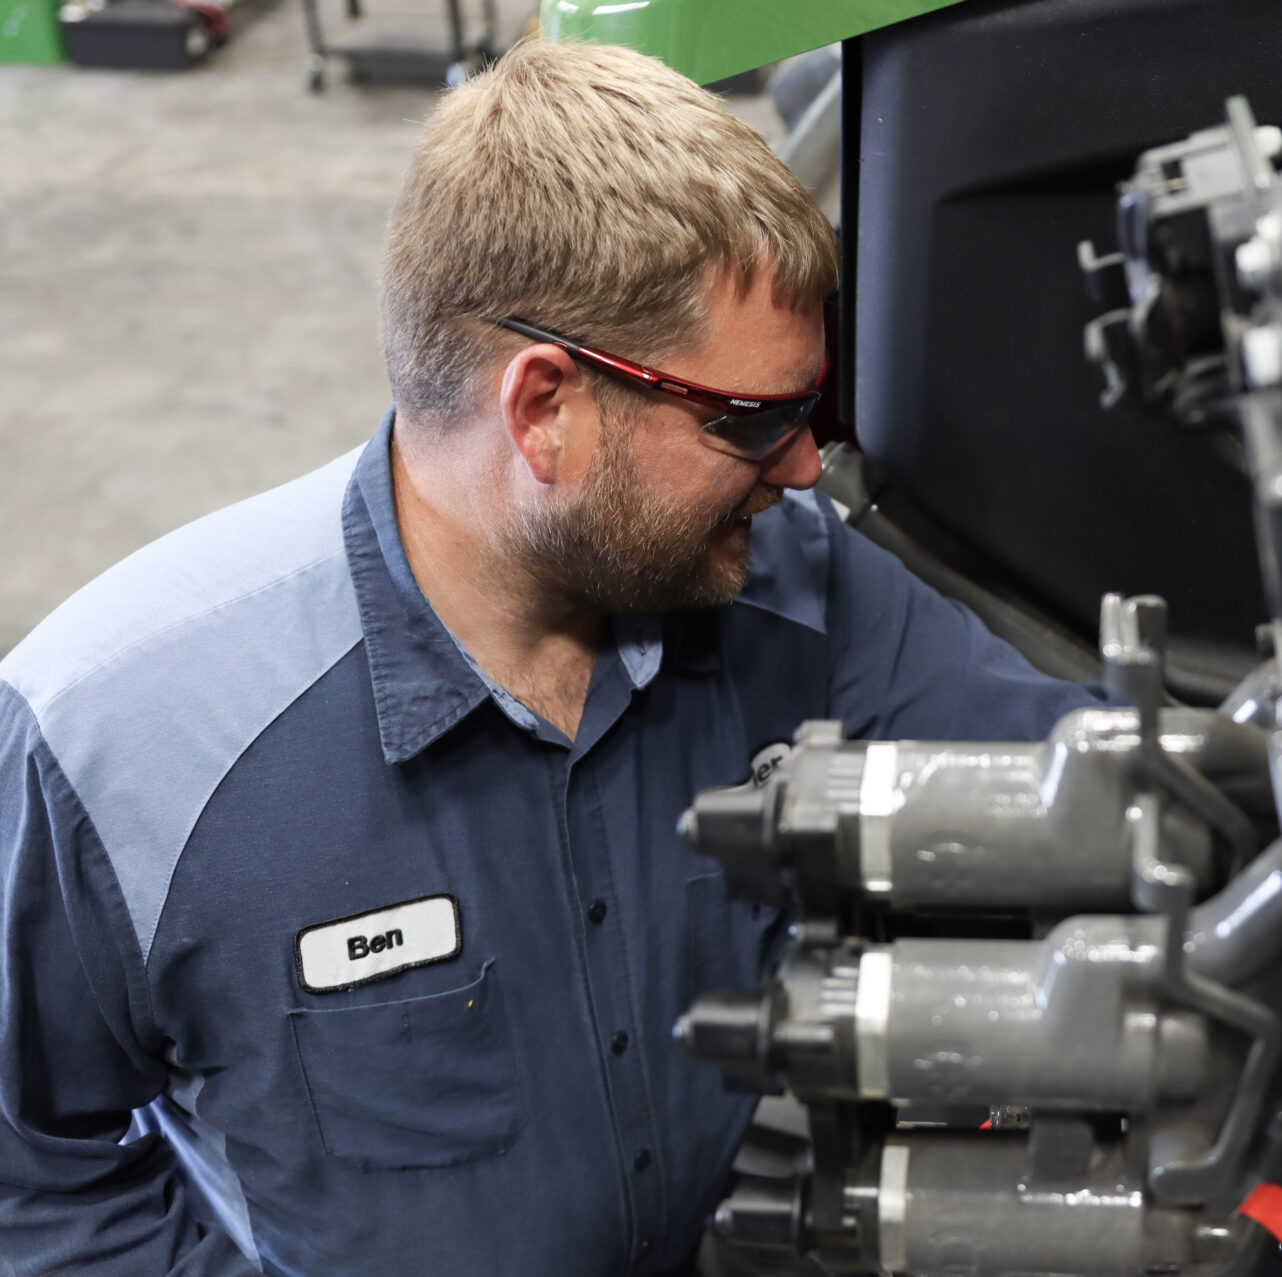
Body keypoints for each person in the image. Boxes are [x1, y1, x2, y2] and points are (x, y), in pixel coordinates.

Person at [0, 40, 1097, 1276]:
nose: (803, 469)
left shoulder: (797, 591)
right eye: (751, 421)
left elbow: (1093, 790)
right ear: (544, 409)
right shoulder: (118, 736)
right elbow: (29, 1174)